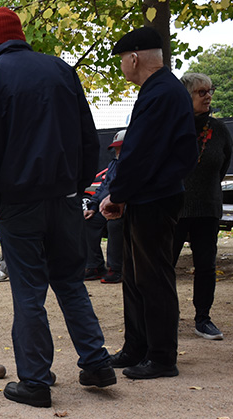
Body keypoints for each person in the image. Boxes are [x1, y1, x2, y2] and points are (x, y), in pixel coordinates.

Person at [0, 7, 115, 408]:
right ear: (20, 35)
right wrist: (77, 186)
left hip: (19, 199)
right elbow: (88, 136)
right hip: (63, 196)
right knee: (70, 281)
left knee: (29, 290)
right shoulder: (61, 70)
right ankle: (96, 361)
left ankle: (35, 379)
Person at [100, 27, 198, 379]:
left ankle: (161, 356)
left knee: (153, 278)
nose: (121, 67)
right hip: (148, 195)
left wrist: (118, 194)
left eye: (121, 61)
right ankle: (137, 346)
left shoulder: (161, 93)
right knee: (134, 277)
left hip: (155, 197)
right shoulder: (161, 90)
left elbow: (140, 153)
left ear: (134, 58)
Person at [172, 73, 233, 340]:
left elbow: (221, 166)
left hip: (207, 208)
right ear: (186, 97)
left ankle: (203, 319)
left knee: (206, 266)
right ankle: (165, 316)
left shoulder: (219, 130)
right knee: (165, 264)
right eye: (201, 92)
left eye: (210, 90)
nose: (208, 96)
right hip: (174, 207)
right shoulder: (172, 127)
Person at [83, 130, 126, 284]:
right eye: (116, 148)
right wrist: (93, 207)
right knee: (88, 221)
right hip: (105, 208)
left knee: (115, 224)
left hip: (123, 209)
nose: (117, 151)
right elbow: (102, 188)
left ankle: (116, 268)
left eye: (120, 148)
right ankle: (94, 265)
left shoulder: (135, 164)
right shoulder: (113, 164)